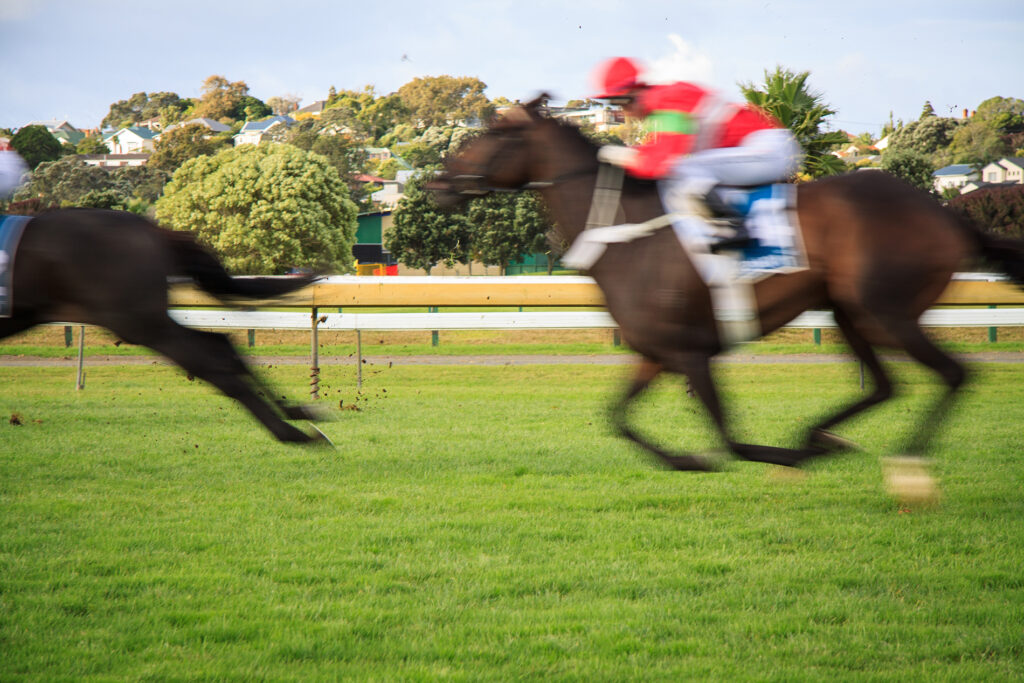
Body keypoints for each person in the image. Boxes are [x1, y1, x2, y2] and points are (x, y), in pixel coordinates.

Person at [591, 57, 803, 251]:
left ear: (633, 95)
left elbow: (660, 162)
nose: (622, 112)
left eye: (619, 103)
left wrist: (616, 156)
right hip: (757, 149)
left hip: (768, 149)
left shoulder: (666, 101)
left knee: (684, 169)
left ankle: (732, 227)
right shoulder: (661, 102)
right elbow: (654, 152)